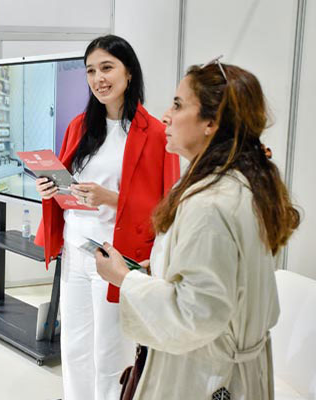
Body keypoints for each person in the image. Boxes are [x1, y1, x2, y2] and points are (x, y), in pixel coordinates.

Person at [95, 59, 300, 399]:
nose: (166, 116)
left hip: (207, 377)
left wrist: (125, 278)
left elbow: (196, 313)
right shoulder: (234, 183)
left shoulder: (209, 204)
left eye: (178, 105)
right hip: (224, 366)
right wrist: (158, 270)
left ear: (211, 122)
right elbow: (221, 281)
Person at [34, 35, 180, 400]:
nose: (98, 78)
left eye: (107, 68)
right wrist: (51, 190)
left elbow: (168, 209)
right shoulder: (80, 126)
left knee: (111, 352)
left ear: (129, 73)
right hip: (75, 250)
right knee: (74, 347)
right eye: (91, 71)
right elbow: (68, 185)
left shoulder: (155, 133)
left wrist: (111, 199)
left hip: (117, 254)